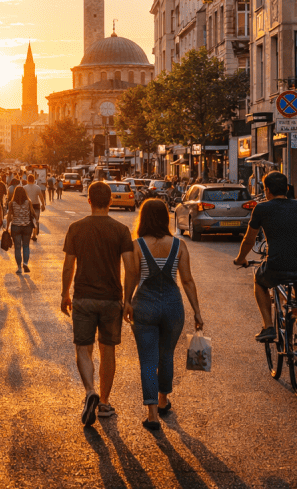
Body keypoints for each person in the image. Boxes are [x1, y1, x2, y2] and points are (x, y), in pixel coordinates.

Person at [234, 171, 297, 378]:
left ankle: (268, 326)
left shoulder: (262, 208)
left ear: (266, 190)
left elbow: (249, 240)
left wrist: (240, 258)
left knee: (259, 281)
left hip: (277, 267)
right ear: (287, 189)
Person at [123, 199, 204, 431]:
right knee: (166, 355)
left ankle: (152, 415)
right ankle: (163, 400)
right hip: (172, 306)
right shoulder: (179, 245)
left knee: (148, 359)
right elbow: (187, 280)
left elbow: (132, 277)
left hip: (145, 306)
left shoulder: (137, 245)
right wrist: (197, 311)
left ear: (144, 218)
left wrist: (126, 301)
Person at [60, 181, 135, 426]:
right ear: (111, 201)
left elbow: (69, 265)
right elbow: (130, 267)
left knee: (83, 347)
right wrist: (128, 300)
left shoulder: (76, 228)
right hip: (111, 299)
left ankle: (90, 390)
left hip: (83, 296)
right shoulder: (121, 230)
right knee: (107, 349)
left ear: (89, 200)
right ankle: (103, 403)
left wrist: (64, 293)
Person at [6, 186, 35, 274]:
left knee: (17, 247)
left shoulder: (12, 203)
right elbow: (33, 213)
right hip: (27, 226)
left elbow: (9, 216)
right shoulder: (28, 202)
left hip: (16, 226)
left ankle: (19, 267)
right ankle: (25, 263)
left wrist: (7, 227)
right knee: (26, 246)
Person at [23, 173, 46, 241]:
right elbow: (41, 197)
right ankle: (34, 235)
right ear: (34, 180)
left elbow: (23, 197)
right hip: (36, 205)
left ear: (27, 180)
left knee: (27, 220)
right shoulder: (37, 187)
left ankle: (27, 234)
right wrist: (43, 205)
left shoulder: (24, 187)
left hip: (27, 205)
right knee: (36, 220)